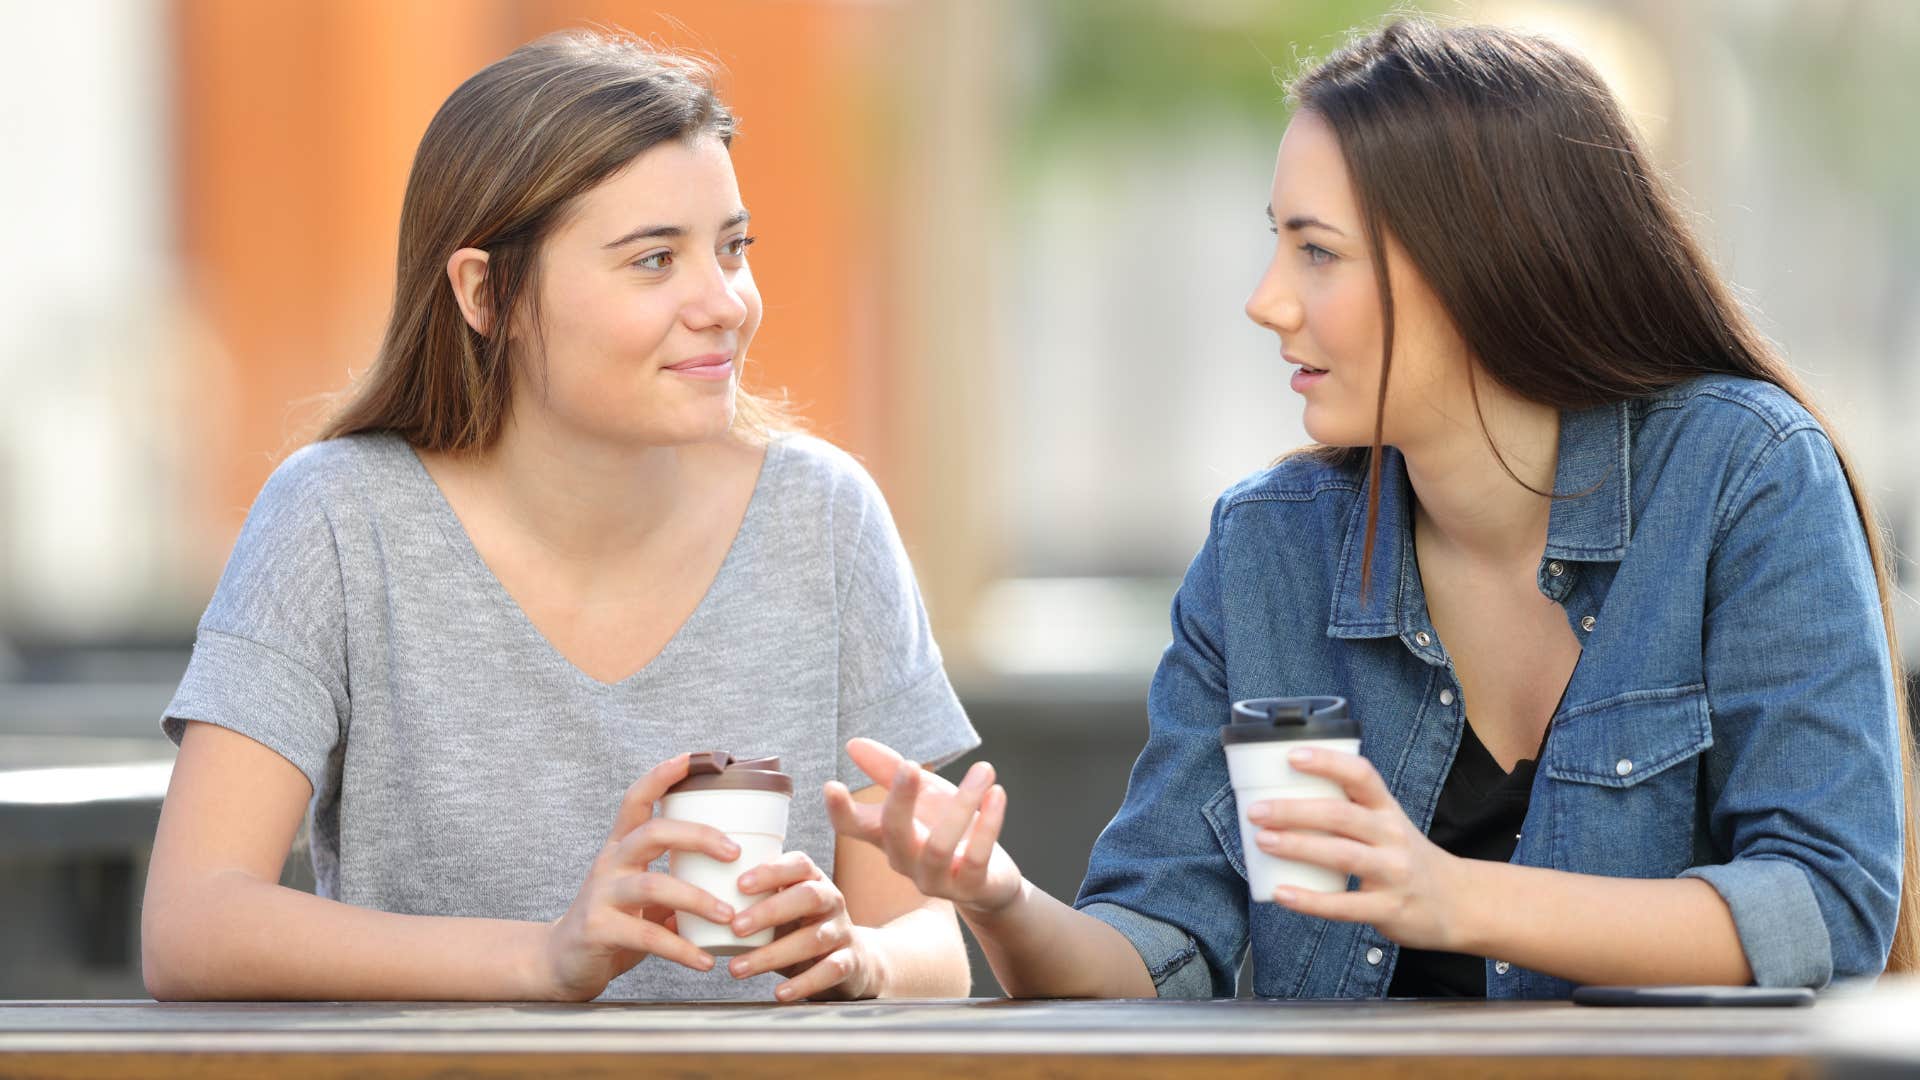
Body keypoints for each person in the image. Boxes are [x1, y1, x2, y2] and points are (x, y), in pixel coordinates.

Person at [829, 18, 1915, 999]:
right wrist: (999, 898)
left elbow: (1829, 902)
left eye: (1316, 251)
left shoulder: (1745, 476)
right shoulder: (1269, 548)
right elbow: (1156, 954)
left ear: (1482, 263)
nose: (1266, 299)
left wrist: (1449, 895)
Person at [141, 30, 978, 1003]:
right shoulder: (336, 519)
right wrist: (543, 958)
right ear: (485, 291)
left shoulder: (827, 521)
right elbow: (193, 921)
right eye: (655, 260)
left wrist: (864, 958)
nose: (726, 303)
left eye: (733, 248)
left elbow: (935, 942)